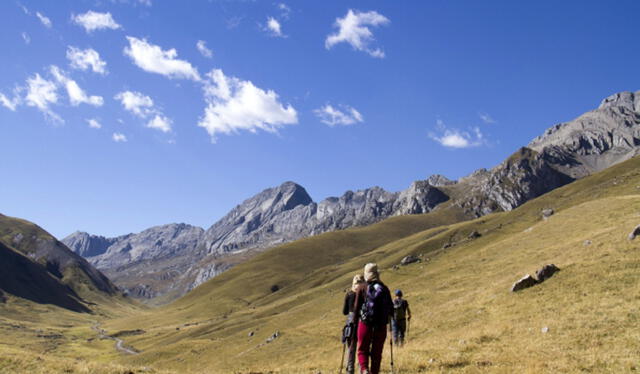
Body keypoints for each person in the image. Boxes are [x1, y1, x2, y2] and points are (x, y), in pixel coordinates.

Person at [353, 263, 393, 374]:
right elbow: (391, 308)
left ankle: (365, 370)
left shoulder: (362, 287)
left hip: (365, 324)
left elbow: (356, 309)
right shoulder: (384, 289)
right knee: (376, 353)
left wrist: (353, 324)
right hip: (381, 326)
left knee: (362, 350)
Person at [343, 274, 365, 374]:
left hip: (351, 322)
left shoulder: (349, 294)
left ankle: (350, 368)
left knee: (351, 347)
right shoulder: (364, 294)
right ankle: (362, 368)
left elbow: (344, 311)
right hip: (362, 321)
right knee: (363, 347)